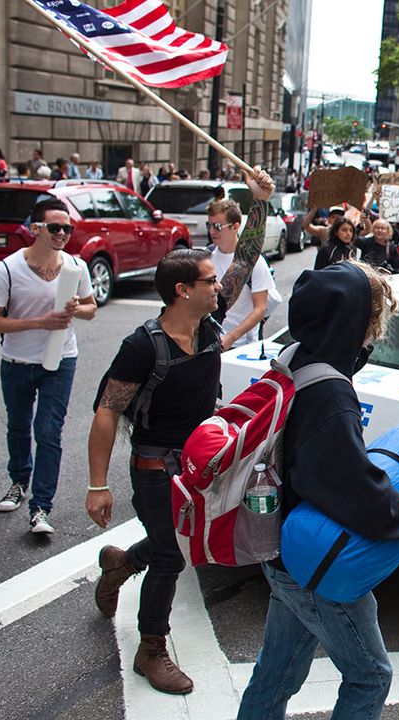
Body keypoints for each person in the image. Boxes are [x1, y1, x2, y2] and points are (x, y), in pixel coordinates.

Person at [87, 168, 274, 695]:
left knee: (177, 544)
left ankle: (122, 563)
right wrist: (98, 484)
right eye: (210, 282)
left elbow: (246, 258)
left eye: (217, 281)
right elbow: (106, 412)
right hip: (154, 466)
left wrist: (258, 202)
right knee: (172, 555)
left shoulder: (210, 324)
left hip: (202, 460)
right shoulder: (142, 345)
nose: (221, 287)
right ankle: (152, 649)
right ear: (182, 291)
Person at [236, 261, 399, 720]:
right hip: (316, 558)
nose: (375, 328)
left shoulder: (296, 358)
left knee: (276, 672)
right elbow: (349, 484)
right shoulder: (330, 390)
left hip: (280, 548)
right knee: (370, 676)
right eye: (373, 315)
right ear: (353, 319)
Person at [0, 197, 97, 533]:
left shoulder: (76, 267)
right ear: (35, 229)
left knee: (48, 432)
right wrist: (40, 322)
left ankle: (41, 508)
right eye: (55, 227)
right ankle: (19, 482)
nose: (62, 233)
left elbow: (91, 309)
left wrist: (76, 310)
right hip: (17, 361)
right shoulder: (6, 269)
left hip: (61, 361)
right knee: (18, 426)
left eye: (67, 228)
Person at [208, 197, 275, 349]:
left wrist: (231, 338)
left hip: (243, 345)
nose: (212, 231)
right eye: (209, 225)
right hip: (212, 344)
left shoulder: (254, 262)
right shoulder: (207, 257)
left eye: (217, 226)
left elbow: (260, 308)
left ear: (235, 226)